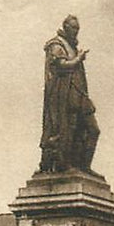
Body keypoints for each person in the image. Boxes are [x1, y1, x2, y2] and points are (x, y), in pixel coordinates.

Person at [40, 15, 100, 173]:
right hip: (64, 96)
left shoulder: (72, 47)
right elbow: (61, 66)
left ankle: (84, 166)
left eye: (78, 29)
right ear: (65, 27)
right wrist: (78, 59)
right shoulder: (56, 44)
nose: (76, 32)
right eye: (73, 28)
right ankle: (64, 164)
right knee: (68, 129)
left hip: (79, 94)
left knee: (93, 130)